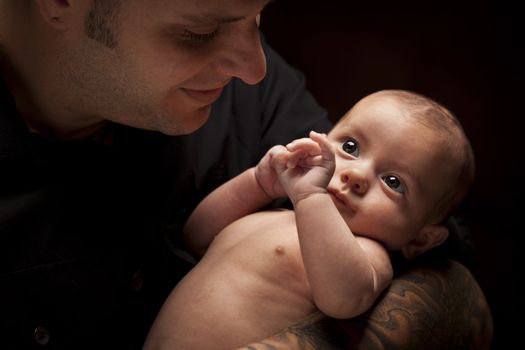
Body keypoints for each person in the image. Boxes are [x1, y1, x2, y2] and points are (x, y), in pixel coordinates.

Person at [0, 1, 492, 349]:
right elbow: (201, 232)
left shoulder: (252, 98)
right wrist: (257, 184)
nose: (254, 69)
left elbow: (451, 271)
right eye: (198, 32)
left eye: (257, 19)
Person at [143, 89, 476, 350]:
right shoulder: (272, 215)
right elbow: (196, 236)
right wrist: (257, 184)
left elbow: (343, 300)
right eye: (351, 146)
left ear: (420, 239)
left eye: (393, 182)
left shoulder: (366, 254)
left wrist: (311, 198)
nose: (357, 174)